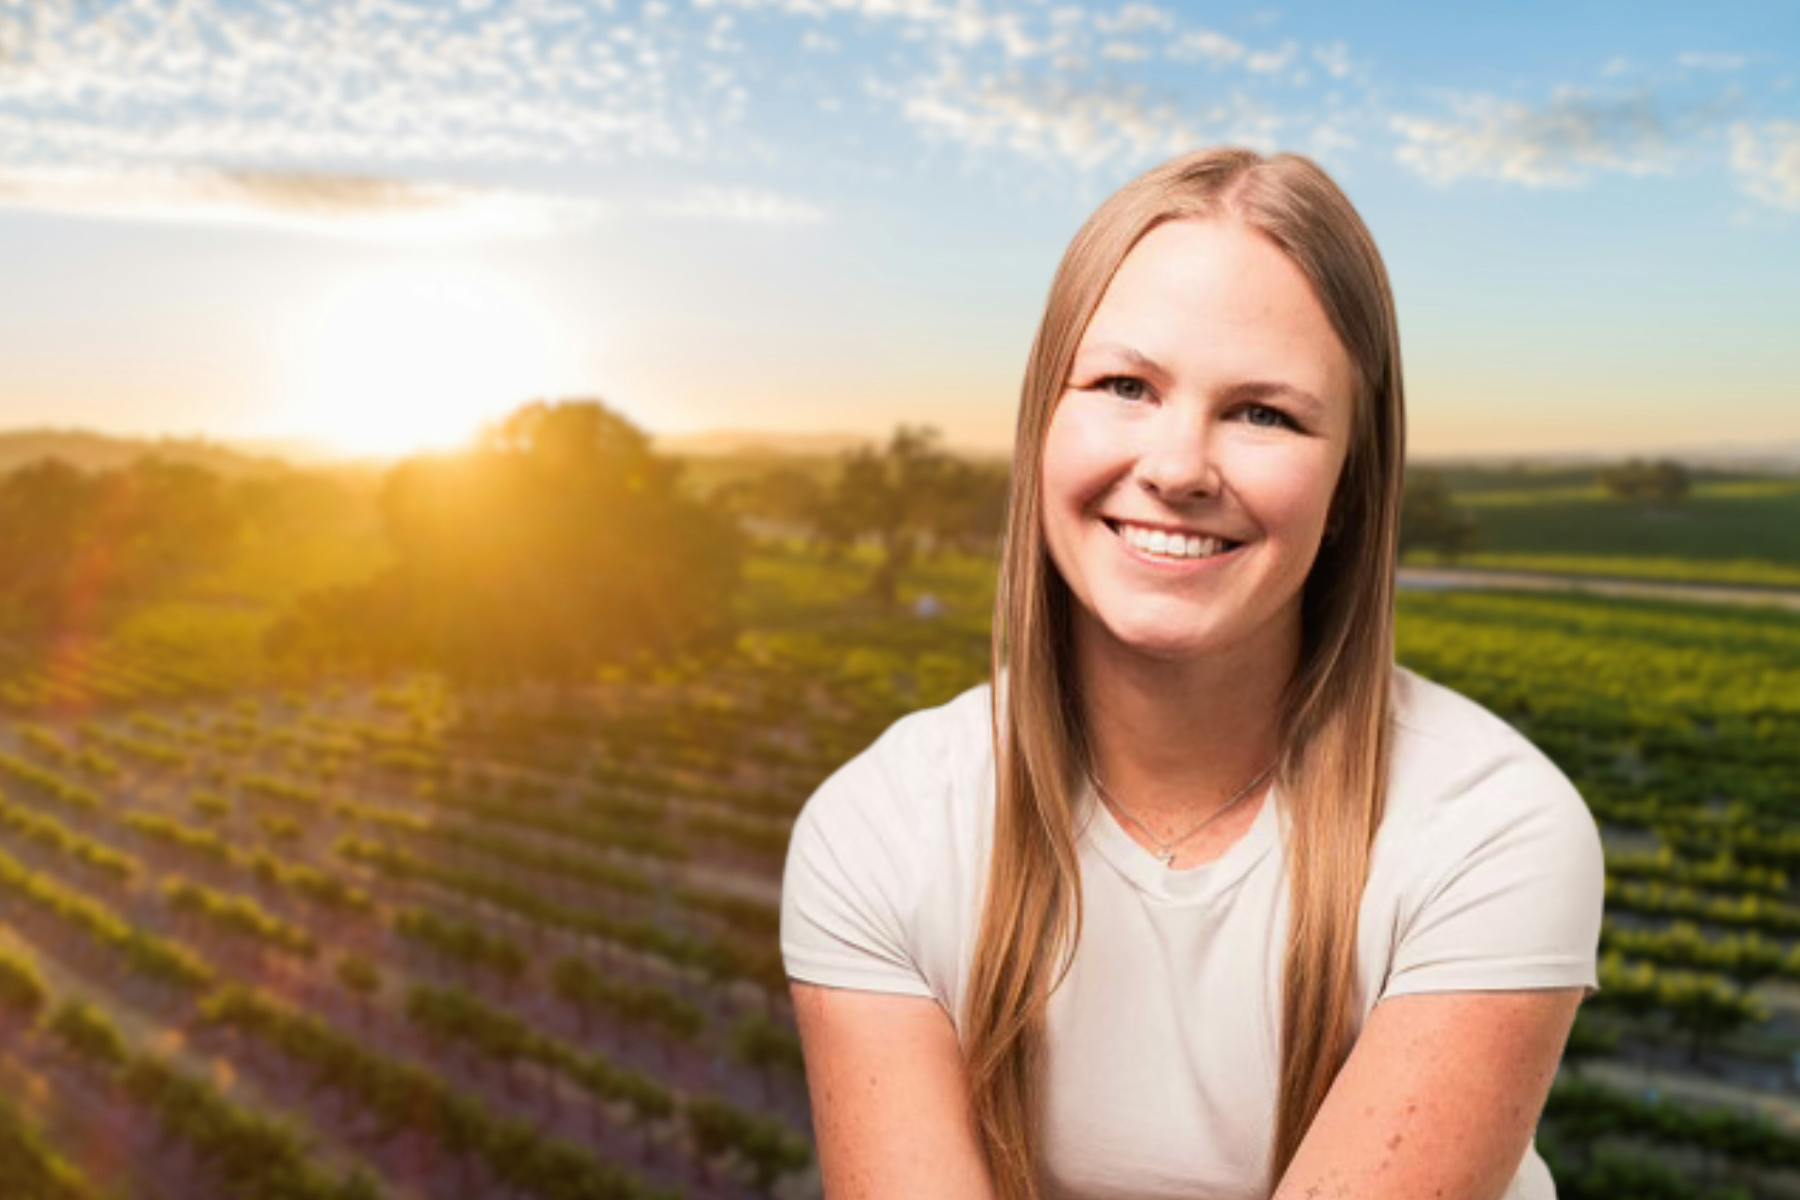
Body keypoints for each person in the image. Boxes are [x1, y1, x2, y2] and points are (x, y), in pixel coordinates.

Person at [779, 146, 1605, 1200]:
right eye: (1125, 386)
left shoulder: (1491, 829)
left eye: (1264, 413)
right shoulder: (882, 829)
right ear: (1042, 427)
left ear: (1350, 486)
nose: (1176, 469)